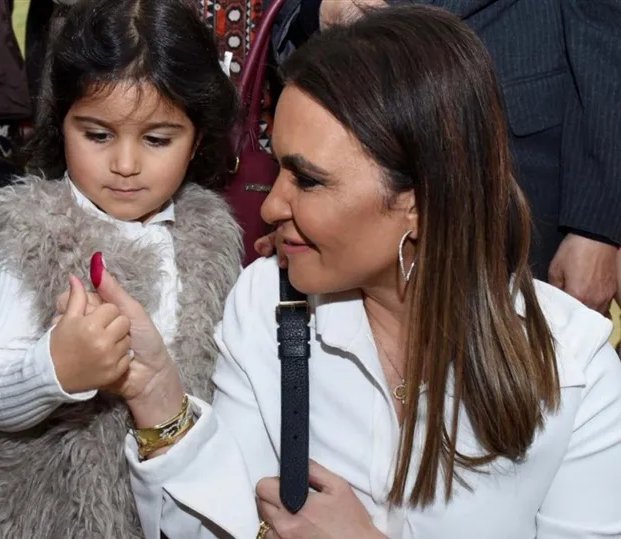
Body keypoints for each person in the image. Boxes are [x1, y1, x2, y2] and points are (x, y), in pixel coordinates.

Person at [60, 7, 621, 538]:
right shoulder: (265, 298)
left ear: (420, 202)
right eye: (278, 170)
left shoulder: (577, 370)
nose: (270, 207)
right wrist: (157, 393)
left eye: (307, 180)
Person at [0, 0, 241, 537]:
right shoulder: (37, 233)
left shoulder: (212, 237)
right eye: (97, 135)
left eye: (157, 139)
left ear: (198, 137)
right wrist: (54, 367)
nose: (125, 165)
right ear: (61, 122)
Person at [262, 0, 621, 315]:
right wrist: (317, 8)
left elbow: (606, 23)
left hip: (516, 162)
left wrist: (595, 227)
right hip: (338, 137)